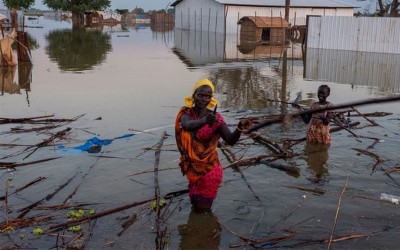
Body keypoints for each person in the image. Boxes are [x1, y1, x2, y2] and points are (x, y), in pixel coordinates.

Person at [175, 78, 252, 213]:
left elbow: (230, 140)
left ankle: (207, 231)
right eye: (200, 95)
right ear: (194, 95)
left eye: (207, 96)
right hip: (193, 171)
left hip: (208, 172)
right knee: (196, 207)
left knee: (202, 214)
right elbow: (187, 125)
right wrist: (204, 121)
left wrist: (239, 128)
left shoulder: (216, 119)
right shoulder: (186, 113)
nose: (203, 99)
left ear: (211, 99)